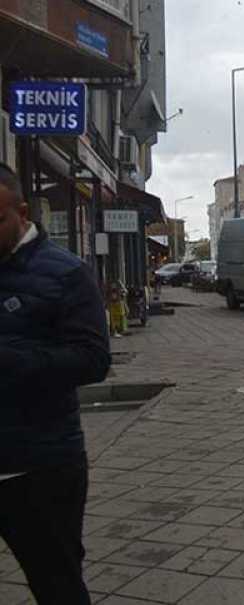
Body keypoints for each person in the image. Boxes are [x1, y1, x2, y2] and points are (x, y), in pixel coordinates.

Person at [0, 162, 110, 605]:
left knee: (56, 583)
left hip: (39, 466)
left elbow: (93, 359)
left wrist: (10, 361)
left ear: (22, 213)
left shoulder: (66, 274)